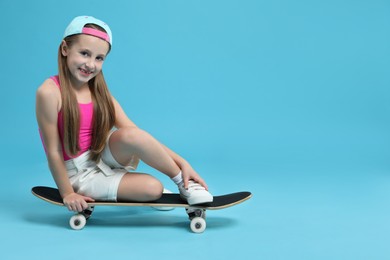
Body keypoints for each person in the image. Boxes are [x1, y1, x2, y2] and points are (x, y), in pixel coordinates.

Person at [36, 16, 213, 213]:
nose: (91, 64)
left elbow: (140, 137)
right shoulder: (49, 92)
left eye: (99, 58)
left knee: (130, 133)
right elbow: (53, 151)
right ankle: (133, 187)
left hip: (99, 155)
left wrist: (182, 163)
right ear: (65, 49)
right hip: (78, 174)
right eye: (84, 53)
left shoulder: (100, 94)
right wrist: (68, 193)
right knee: (153, 188)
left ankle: (183, 183)